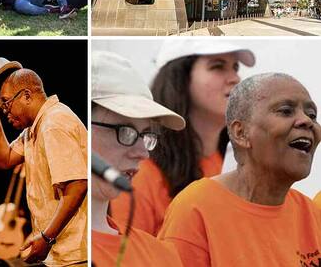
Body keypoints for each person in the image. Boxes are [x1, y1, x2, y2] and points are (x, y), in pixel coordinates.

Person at [159, 73, 321, 266]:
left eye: (312, 115)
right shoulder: (196, 208)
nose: (306, 121)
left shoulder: (311, 214)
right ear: (240, 133)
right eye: (286, 111)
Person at [110, 40, 255, 236]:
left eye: (235, 67)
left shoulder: (232, 166)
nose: (235, 78)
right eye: (218, 66)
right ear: (180, 79)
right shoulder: (139, 176)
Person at [0, 58, 87, 265]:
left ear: (26, 95)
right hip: (62, 252)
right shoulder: (34, 129)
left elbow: (77, 185)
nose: (5, 110)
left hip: (75, 253)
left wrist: (46, 237)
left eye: (6, 102)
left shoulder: (54, 123)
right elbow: (4, 159)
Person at [91, 51, 185, 266]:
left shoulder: (163, 256)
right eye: (125, 131)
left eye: (146, 135)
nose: (143, 153)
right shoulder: (48, 247)